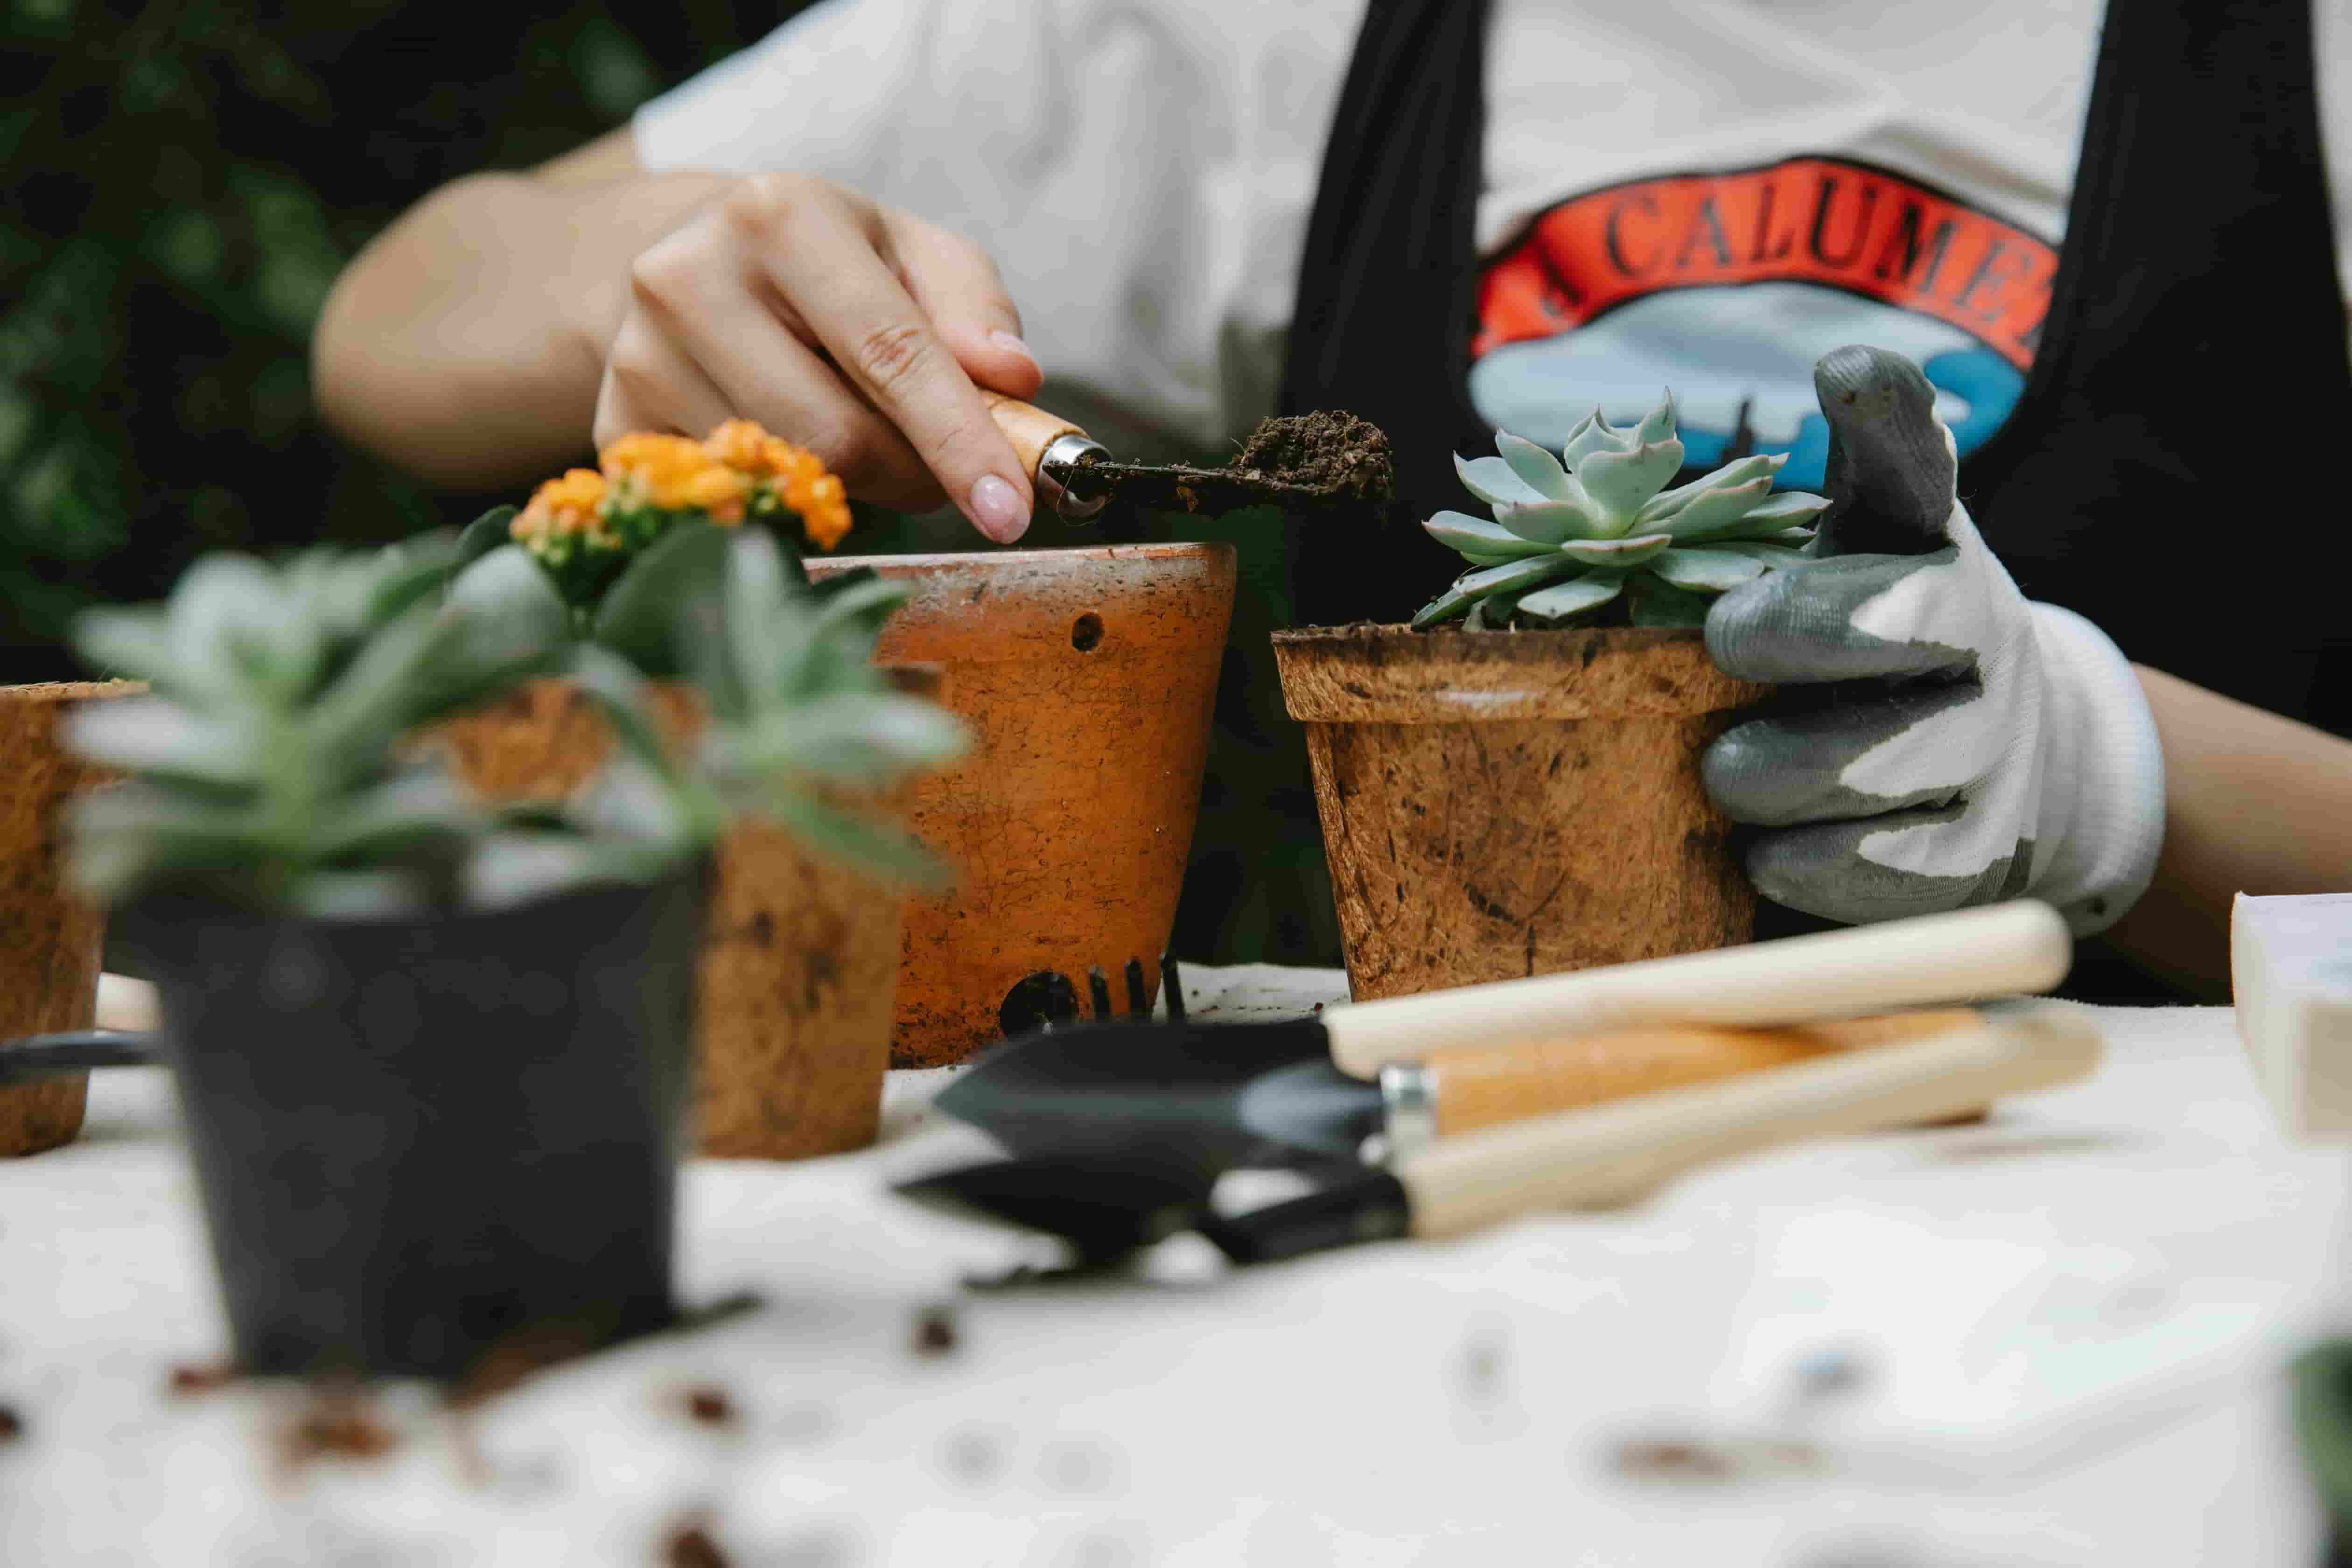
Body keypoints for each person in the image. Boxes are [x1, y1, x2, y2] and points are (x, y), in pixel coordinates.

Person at [312, 0, 2352, 996]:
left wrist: (2104, 772)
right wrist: (684, 268)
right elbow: (402, 319)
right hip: (1450, 1277)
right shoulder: (1261, 29)